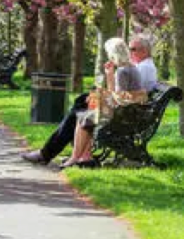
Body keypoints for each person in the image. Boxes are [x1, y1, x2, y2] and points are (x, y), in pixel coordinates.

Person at [20, 35, 159, 166]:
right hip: (128, 111)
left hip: (125, 115)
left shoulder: (132, 69)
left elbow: (120, 98)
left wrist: (103, 90)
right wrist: (108, 78)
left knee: (79, 113)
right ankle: (79, 155)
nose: (130, 51)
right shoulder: (133, 67)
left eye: (133, 49)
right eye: (129, 48)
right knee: (81, 105)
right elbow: (122, 94)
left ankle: (60, 155)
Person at [61, 37, 148, 168]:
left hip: (123, 117)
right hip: (129, 113)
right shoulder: (130, 67)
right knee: (86, 116)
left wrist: (101, 94)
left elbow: (117, 100)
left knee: (83, 119)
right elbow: (119, 95)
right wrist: (109, 76)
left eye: (108, 53)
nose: (108, 56)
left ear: (113, 54)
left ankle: (75, 157)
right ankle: (84, 157)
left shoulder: (123, 71)